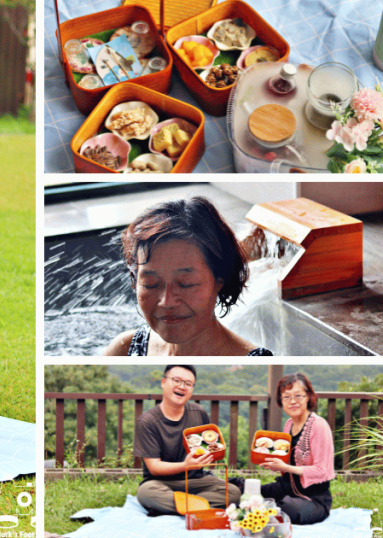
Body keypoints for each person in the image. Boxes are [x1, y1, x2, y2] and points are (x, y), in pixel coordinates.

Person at [104, 197, 273, 356]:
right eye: (151, 284)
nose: (167, 302)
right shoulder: (124, 349)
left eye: (186, 284)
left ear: (220, 279)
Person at [134, 365, 241, 516]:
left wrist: (212, 453)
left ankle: (173, 508)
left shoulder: (198, 413)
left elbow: (207, 446)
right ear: (163, 382)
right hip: (161, 483)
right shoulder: (147, 422)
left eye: (188, 383)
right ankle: (194, 507)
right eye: (176, 380)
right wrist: (186, 465)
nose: (182, 387)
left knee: (233, 492)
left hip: (195, 480)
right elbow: (154, 467)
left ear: (192, 388)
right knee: (146, 493)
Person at [257, 373, 334, 524]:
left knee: (287, 510)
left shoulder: (319, 425)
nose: (292, 401)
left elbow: (322, 470)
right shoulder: (289, 425)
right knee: (248, 492)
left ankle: (269, 508)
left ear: (308, 397)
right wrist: (275, 464)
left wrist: (286, 467)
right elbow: (286, 462)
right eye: (286, 397)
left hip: (314, 499)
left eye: (298, 396)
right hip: (286, 488)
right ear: (281, 400)